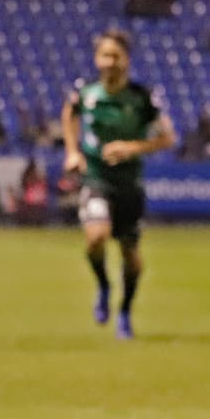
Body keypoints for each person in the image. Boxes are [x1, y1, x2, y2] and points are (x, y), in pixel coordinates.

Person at [62, 30, 176, 340]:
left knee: (131, 255)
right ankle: (102, 285)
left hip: (129, 184)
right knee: (95, 238)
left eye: (116, 56)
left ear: (126, 59)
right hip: (96, 178)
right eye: (105, 55)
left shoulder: (142, 97)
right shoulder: (86, 92)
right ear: (96, 59)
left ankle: (124, 312)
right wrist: (72, 151)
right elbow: (69, 113)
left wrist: (131, 148)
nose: (110, 62)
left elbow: (167, 138)